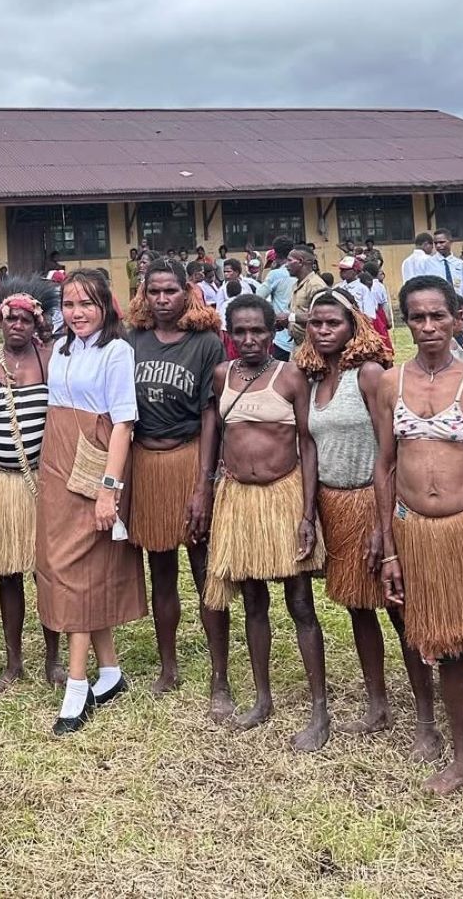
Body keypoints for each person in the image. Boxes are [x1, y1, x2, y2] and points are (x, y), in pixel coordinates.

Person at [373, 274, 463, 825]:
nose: (429, 327)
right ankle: (462, 759)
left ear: (460, 318)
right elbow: (384, 467)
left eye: (439, 316)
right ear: (405, 321)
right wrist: (389, 548)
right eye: (418, 317)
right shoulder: (390, 382)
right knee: (446, 645)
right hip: (419, 536)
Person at [293, 290, 441, 759]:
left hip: (371, 501)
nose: (322, 330)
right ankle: (378, 705)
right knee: (358, 607)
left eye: (332, 322)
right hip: (334, 504)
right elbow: (309, 447)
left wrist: (383, 523)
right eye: (315, 322)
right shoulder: (315, 378)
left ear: (353, 325)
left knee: (400, 611)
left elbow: (389, 449)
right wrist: (308, 510)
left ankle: (427, 721)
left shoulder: (370, 375)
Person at [205, 294, 328, 750]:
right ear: (229, 333)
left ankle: (319, 707)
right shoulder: (222, 376)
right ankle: (262, 697)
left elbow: (308, 444)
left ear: (273, 328)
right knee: (253, 603)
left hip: (284, 496)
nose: (250, 339)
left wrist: (307, 512)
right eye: (240, 331)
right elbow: (219, 437)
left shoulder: (291, 375)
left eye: (258, 330)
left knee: (300, 602)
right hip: (240, 501)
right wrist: (213, 487)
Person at [37, 268, 146, 735]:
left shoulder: (116, 351)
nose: (76, 313)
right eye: (69, 303)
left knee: (79, 570)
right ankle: (111, 672)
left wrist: (109, 488)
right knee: (68, 567)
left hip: (94, 463)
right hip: (56, 465)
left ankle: (77, 686)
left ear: (105, 306)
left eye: (86, 304)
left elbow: (124, 423)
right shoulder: (60, 349)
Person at [125, 259, 230, 716]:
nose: (162, 299)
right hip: (146, 461)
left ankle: (219, 676)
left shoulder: (206, 343)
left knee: (205, 569)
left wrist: (204, 484)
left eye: (170, 291)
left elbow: (211, 413)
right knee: (160, 569)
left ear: (186, 292)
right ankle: (168, 668)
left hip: (189, 458)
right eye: (155, 292)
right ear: (143, 294)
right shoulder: (132, 341)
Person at [0, 279, 64, 691]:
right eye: (10, 318)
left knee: (48, 572)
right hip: (2, 484)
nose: (17, 326)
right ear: (0, 321)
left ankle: (53, 660)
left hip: (43, 485)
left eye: (25, 319)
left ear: (36, 324)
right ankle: (13, 662)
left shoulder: (49, 360)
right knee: (9, 575)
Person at [257, 236, 297, 361]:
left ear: (275, 253)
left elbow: (258, 297)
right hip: (301, 334)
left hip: (282, 337)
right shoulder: (302, 271)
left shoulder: (275, 274)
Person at [284, 246, 325, 346]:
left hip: (312, 347)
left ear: (300, 262)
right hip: (298, 344)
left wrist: (290, 317)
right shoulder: (296, 285)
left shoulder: (315, 285)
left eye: (289, 260)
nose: (286, 265)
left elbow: (322, 317)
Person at [430, 229, 463, 299]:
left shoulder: (460, 264)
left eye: (442, 242)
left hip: (458, 304)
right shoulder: (427, 263)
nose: (438, 245)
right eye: (435, 243)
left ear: (450, 242)